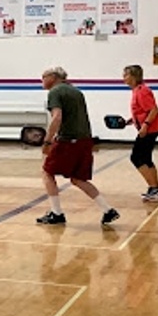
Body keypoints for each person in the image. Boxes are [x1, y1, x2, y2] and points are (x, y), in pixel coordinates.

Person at [37, 66, 118, 226]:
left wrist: (47, 141)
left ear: (53, 77)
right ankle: (108, 210)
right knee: (77, 178)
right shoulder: (76, 91)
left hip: (68, 140)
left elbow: (57, 117)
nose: (42, 81)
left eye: (43, 77)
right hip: (85, 140)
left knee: (47, 172)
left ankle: (56, 213)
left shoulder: (55, 92)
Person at [122, 65, 158, 202]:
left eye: (126, 75)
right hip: (149, 128)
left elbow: (153, 110)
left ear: (134, 76)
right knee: (146, 159)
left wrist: (145, 125)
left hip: (150, 129)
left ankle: (154, 188)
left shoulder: (142, 91)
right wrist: (132, 120)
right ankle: (156, 188)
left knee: (136, 157)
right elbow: (142, 111)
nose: (123, 78)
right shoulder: (137, 91)